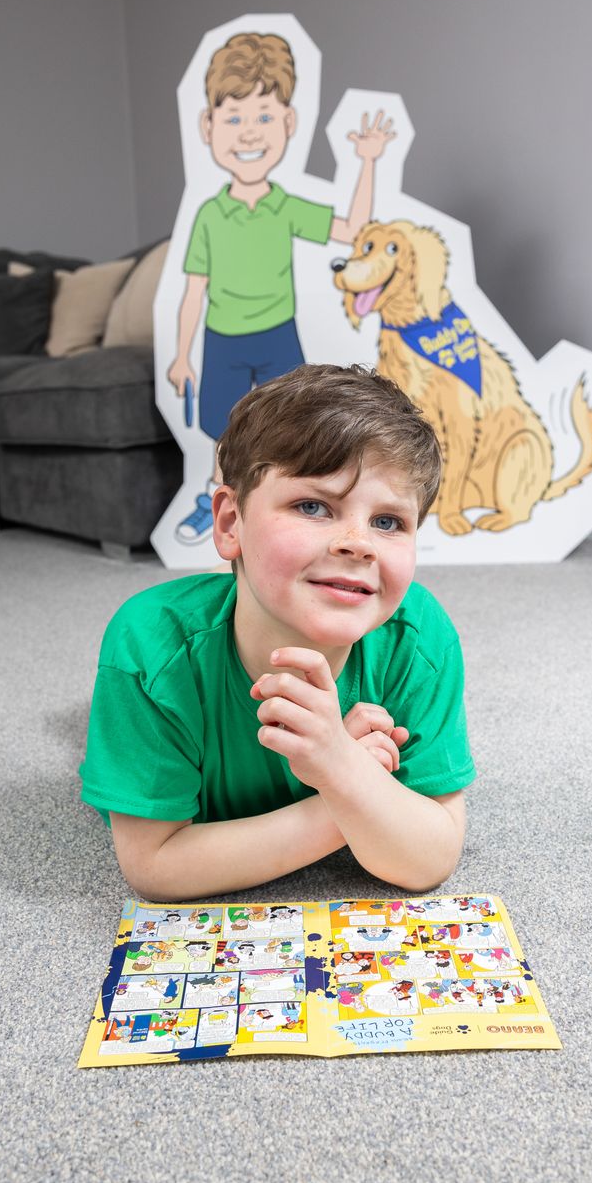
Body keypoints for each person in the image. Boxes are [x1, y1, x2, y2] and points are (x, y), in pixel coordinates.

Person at [79, 363, 476, 898]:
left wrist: (335, 762)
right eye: (313, 506)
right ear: (229, 523)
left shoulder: (418, 637)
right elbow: (155, 866)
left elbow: (429, 860)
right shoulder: (151, 645)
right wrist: (348, 780)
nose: (358, 543)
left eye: (388, 522)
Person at [167, 30, 394, 543]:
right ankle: (217, 502)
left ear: (288, 124)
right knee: (221, 434)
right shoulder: (209, 213)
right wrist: (182, 356)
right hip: (223, 337)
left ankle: (292, 508)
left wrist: (369, 161)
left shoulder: (285, 206)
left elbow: (353, 228)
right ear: (209, 126)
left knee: (290, 427)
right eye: (235, 118)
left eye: (264, 117)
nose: (249, 134)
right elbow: (193, 292)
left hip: (276, 333)